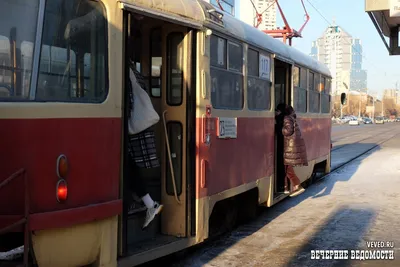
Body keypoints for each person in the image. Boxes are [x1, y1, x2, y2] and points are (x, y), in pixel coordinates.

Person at [126, 27, 163, 228]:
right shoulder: (136, 73)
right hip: (139, 127)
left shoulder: (126, 73)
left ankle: (147, 202)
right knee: (129, 164)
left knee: (126, 164)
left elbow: (128, 102)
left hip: (132, 127)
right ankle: (144, 201)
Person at [279, 104, 307, 197]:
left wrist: (279, 129)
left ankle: (297, 185)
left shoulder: (287, 118)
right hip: (291, 147)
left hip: (289, 148)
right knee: (287, 167)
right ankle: (287, 187)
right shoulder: (291, 117)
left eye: (278, 111)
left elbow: (288, 131)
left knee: (288, 168)